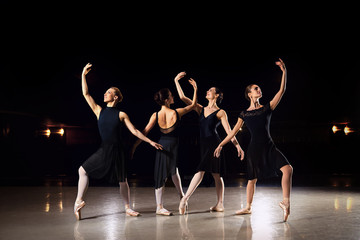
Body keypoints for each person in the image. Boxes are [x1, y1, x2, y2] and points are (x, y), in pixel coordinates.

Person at [74, 63, 163, 220]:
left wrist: (150, 142)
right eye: (105, 92)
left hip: (118, 151)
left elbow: (135, 131)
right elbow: (86, 94)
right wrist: (83, 75)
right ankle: (78, 201)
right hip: (105, 149)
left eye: (108, 92)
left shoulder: (122, 114)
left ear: (115, 97)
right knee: (83, 170)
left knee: (123, 180)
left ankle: (128, 208)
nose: (105, 94)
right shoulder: (98, 110)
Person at [214, 58, 293, 222]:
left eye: (259, 88)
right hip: (254, 149)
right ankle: (248, 207)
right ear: (250, 94)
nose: (259, 90)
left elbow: (282, 90)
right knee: (251, 180)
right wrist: (221, 144)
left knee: (288, 169)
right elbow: (232, 132)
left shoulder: (267, 108)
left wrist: (284, 71)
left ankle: (286, 202)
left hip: (269, 146)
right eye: (256, 89)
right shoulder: (244, 114)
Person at [175, 73, 244, 214]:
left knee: (208, 173)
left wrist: (238, 146)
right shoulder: (200, 108)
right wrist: (176, 80)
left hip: (215, 145)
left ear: (217, 95)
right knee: (212, 174)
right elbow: (183, 98)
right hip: (204, 145)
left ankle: (187, 199)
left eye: (211, 90)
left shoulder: (220, 112)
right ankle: (215, 204)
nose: (208, 91)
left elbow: (229, 131)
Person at [132, 72, 198, 216]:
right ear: (167, 100)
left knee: (172, 171)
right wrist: (195, 89)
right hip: (171, 145)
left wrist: (137, 145)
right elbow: (193, 105)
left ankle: (181, 197)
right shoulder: (177, 112)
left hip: (162, 144)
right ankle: (161, 206)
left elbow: (144, 131)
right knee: (167, 173)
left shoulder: (155, 115)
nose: (174, 97)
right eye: (172, 96)